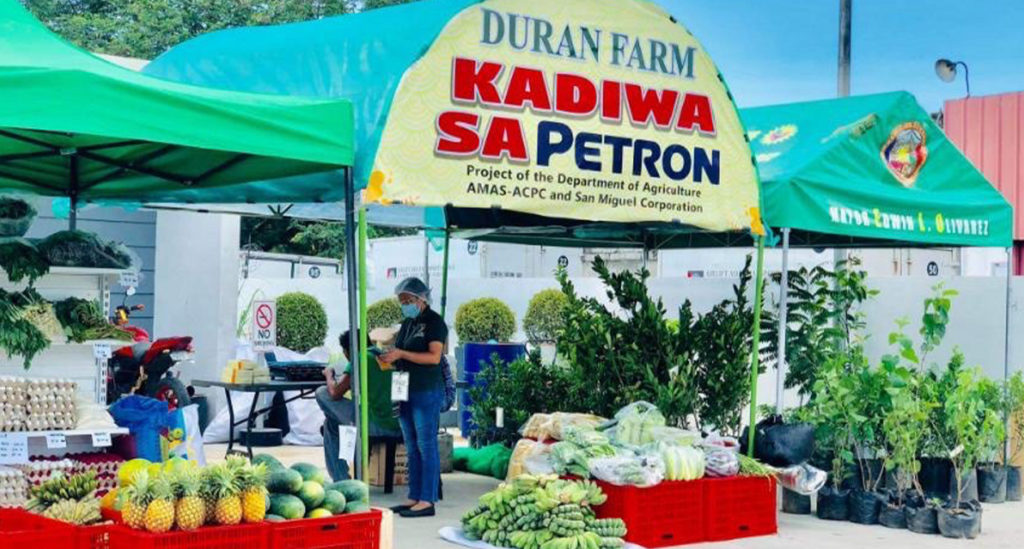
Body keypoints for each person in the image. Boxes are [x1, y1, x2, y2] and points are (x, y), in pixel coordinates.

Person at [378, 277, 447, 518]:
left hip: (425, 389)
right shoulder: (407, 323)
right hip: (404, 387)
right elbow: (401, 351)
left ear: (421, 299)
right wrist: (390, 355)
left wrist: (402, 353)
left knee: (426, 444)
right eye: (401, 301)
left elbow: (434, 358)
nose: (404, 304)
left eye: (407, 300)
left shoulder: (434, 322)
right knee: (410, 445)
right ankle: (414, 495)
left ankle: (427, 499)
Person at [317, 329, 401, 482]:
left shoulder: (360, 358)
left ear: (347, 350)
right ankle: (342, 479)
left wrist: (329, 375)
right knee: (331, 424)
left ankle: (342, 481)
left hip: (377, 424)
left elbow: (335, 393)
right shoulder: (382, 356)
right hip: (398, 424)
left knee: (322, 392)